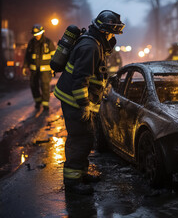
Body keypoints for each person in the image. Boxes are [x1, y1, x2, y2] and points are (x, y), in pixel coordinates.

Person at [54, 10, 125, 195]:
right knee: (80, 139)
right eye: (111, 32)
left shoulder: (95, 43)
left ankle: (80, 174)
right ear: (103, 30)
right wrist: (84, 105)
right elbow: (80, 79)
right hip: (75, 101)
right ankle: (72, 182)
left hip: (77, 100)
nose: (112, 36)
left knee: (85, 138)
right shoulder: (90, 47)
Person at [23, 24, 56, 110]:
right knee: (33, 85)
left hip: (45, 70)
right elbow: (27, 56)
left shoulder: (48, 42)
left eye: (37, 34)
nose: (36, 36)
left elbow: (54, 57)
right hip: (34, 69)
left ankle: (45, 104)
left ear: (42, 32)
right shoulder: (31, 43)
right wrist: (25, 67)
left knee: (45, 86)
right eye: (34, 34)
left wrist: (54, 68)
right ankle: (38, 101)